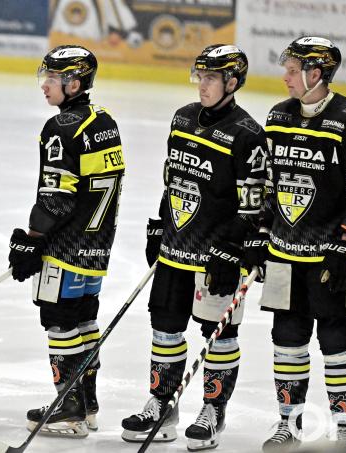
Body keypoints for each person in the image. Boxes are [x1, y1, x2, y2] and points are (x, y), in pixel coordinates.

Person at [120, 44, 267, 451]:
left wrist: (232, 248)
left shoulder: (248, 134)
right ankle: (162, 405)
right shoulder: (182, 118)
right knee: (165, 327)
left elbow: (254, 205)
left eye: (211, 78)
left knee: (219, 334)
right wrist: (159, 224)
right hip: (176, 247)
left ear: (232, 82)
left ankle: (213, 410)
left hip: (216, 256)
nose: (202, 85)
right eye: (200, 76)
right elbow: (174, 181)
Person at [249, 37, 346, 451]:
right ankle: (288, 423)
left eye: (293, 70)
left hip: (330, 256)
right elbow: (268, 186)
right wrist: (260, 236)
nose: (285, 77)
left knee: (337, 340)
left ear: (316, 73)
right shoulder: (278, 116)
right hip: (283, 254)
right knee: (287, 338)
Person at [7, 44, 124, 438]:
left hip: (66, 246)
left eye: (52, 79)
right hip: (97, 246)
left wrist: (32, 239)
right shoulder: (104, 121)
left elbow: (56, 196)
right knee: (84, 320)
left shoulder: (60, 128)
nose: (44, 85)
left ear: (74, 83)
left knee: (58, 321)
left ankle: (68, 407)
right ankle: (87, 402)